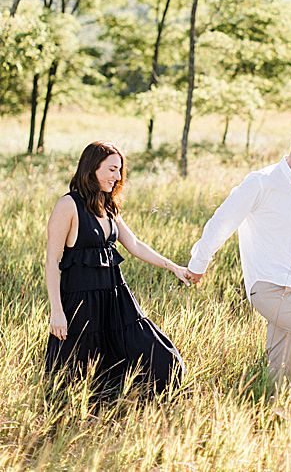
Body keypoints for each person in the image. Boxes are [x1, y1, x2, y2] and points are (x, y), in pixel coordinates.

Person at [186, 123, 291, 395]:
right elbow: (222, 222)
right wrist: (198, 264)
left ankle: (278, 422)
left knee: (283, 371)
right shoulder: (262, 182)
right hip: (269, 287)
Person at [45, 141, 187, 398]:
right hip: (81, 304)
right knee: (75, 380)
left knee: (164, 361)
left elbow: (134, 245)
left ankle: (142, 409)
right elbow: (52, 262)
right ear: (92, 168)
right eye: (112, 169)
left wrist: (173, 266)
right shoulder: (68, 205)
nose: (118, 177)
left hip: (115, 299)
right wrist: (56, 311)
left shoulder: (108, 206)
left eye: (119, 170)